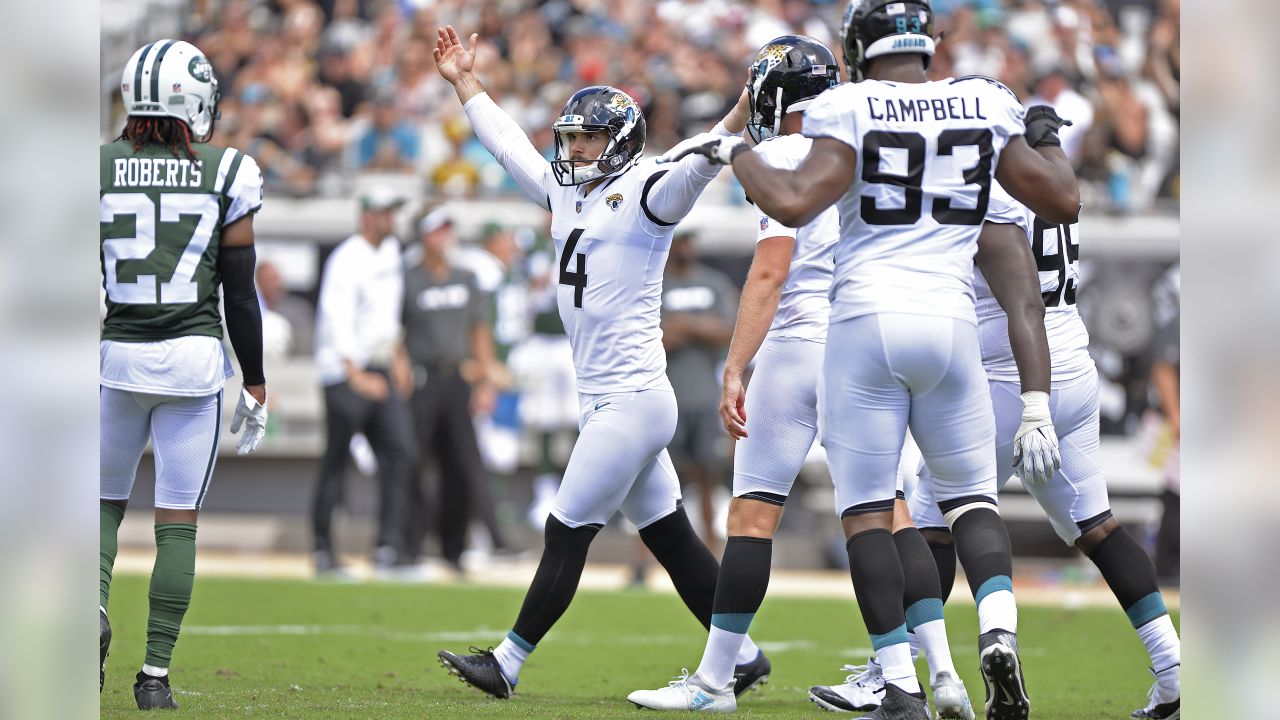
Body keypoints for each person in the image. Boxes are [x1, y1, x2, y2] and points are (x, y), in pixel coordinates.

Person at [663, 1, 1079, 716]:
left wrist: (731, 149)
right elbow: (1060, 200)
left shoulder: (847, 106)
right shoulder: (976, 100)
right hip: (951, 326)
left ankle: (901, 685)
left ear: (860, 48)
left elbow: (792, 205)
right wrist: (1043, 135)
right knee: (967, 502)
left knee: (865, 517)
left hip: (860, 324)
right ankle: (989, 638)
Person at [431, 25, 771, 701]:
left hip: (633, 400)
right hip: (607, 396)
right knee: (672, 539)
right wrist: (466, 83)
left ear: (617, 141)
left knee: (566, 528)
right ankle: (746, 655)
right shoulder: (567, 190)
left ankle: (508, 661)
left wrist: (739, 114)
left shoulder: (649, 191)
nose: (573, 148)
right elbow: (507, 148)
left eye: (586, 137)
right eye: (571, 136)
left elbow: (697, 164)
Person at [898, 188, 1181, 719]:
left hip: (1015, 370)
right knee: (1097, 524)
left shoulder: (983, 177)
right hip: (1073, 360)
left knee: (936, 516)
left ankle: (916, 667)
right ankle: (1173, 667)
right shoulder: (1049, 170)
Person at [99, 39, 268, 710]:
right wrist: (255, 379)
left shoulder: (98, 166)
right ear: (194, 101)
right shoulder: (229, 169)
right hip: (193, 367)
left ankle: (91, 609)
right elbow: (240, 289)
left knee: (102, 508)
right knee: (176, 522)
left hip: (118, 359)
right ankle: (155, 677)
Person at [312, 185, 416, 576]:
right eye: (385, 213)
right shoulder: (346, 258)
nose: (391, 220)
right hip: (344, 371)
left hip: (380, 367)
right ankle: (324, 550)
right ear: (367, 216)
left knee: (400, 452)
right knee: (336, 461)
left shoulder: (391, 253)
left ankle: (388, 547)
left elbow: (387, 316)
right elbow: (336, 318)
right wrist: (354, 373)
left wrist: (398, 357)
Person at [401, 207, 498, 573]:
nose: (445, 237)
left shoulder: (466, 277)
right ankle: (410, 544)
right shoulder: (407, 278)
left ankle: (453, 547)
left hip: (457, 376)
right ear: (424, 236)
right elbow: (396, 329)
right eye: (438, 230)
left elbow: (479, 329)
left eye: (448, 230)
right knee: (414, 462)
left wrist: (485, 379)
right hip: (421, 376)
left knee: (461, 464)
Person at [660, 232, 739, 550]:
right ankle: (646, 559)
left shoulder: (713, 282)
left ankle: (711, 550)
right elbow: (653, 337)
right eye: (681, 242)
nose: (687, 249)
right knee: (663, 480)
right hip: (667, 394)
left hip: (705, 394)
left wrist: (682, 325)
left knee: (707, 475)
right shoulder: (655, 281)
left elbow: (727, 331)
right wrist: (699, 325)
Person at [255, 259, 315, 356]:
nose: (275, 284)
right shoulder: (252, 311)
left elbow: (306, 350)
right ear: (259, 283)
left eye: (276, 279)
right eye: (269, 280)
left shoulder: (299, 310)